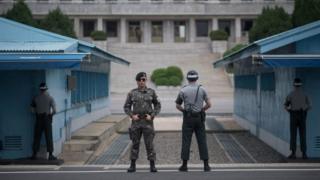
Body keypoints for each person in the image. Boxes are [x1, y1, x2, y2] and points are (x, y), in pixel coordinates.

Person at [124, 72, 161, 173]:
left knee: (149, 144)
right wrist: (132, 115)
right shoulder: (132, 93)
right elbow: (126, 107)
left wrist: (152, 115)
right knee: (135, 144)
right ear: (137, 81)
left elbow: (157, 105)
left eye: (143, 80)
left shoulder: (151, 92)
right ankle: (132, 165)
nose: (141, 82)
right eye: (139, 80)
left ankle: (152, 165)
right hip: (136, 123)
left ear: (146, 80)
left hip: (147, 122)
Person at [175, 70, 211, 172]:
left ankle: (184, 165)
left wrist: (184, 111)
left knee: (186, 141)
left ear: (187, 78)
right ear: (197, 78)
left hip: (188, 118)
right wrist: (201, 110)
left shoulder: (183, 90)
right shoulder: (202, 89)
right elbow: (209, 104)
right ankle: (206, 165)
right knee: (202, 140)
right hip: (199, 118)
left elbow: (178, 105)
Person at [284, 78, 311, 159]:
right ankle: (304, 153)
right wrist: (304, 111)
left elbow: (285, 106)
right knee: (303, 134)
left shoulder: (290, 94)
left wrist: (290, 111)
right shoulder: (305, 94)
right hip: (302, 115)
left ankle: (293, 153)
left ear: (294, 85)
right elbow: (310, 106)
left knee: (293, 135)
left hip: (293, 115)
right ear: (301, 85)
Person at [30, 82, 57, 160]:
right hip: (47, 118)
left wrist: (37, 113)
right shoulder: (50, 98)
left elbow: (31, 109)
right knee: (48, 136)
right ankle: (50, 155)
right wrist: (51, 115)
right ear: (46, 89)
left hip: (39, 118)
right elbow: (55, 110)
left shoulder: (35, 98)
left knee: (37, 136)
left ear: (40, 89)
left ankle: (34, 154)